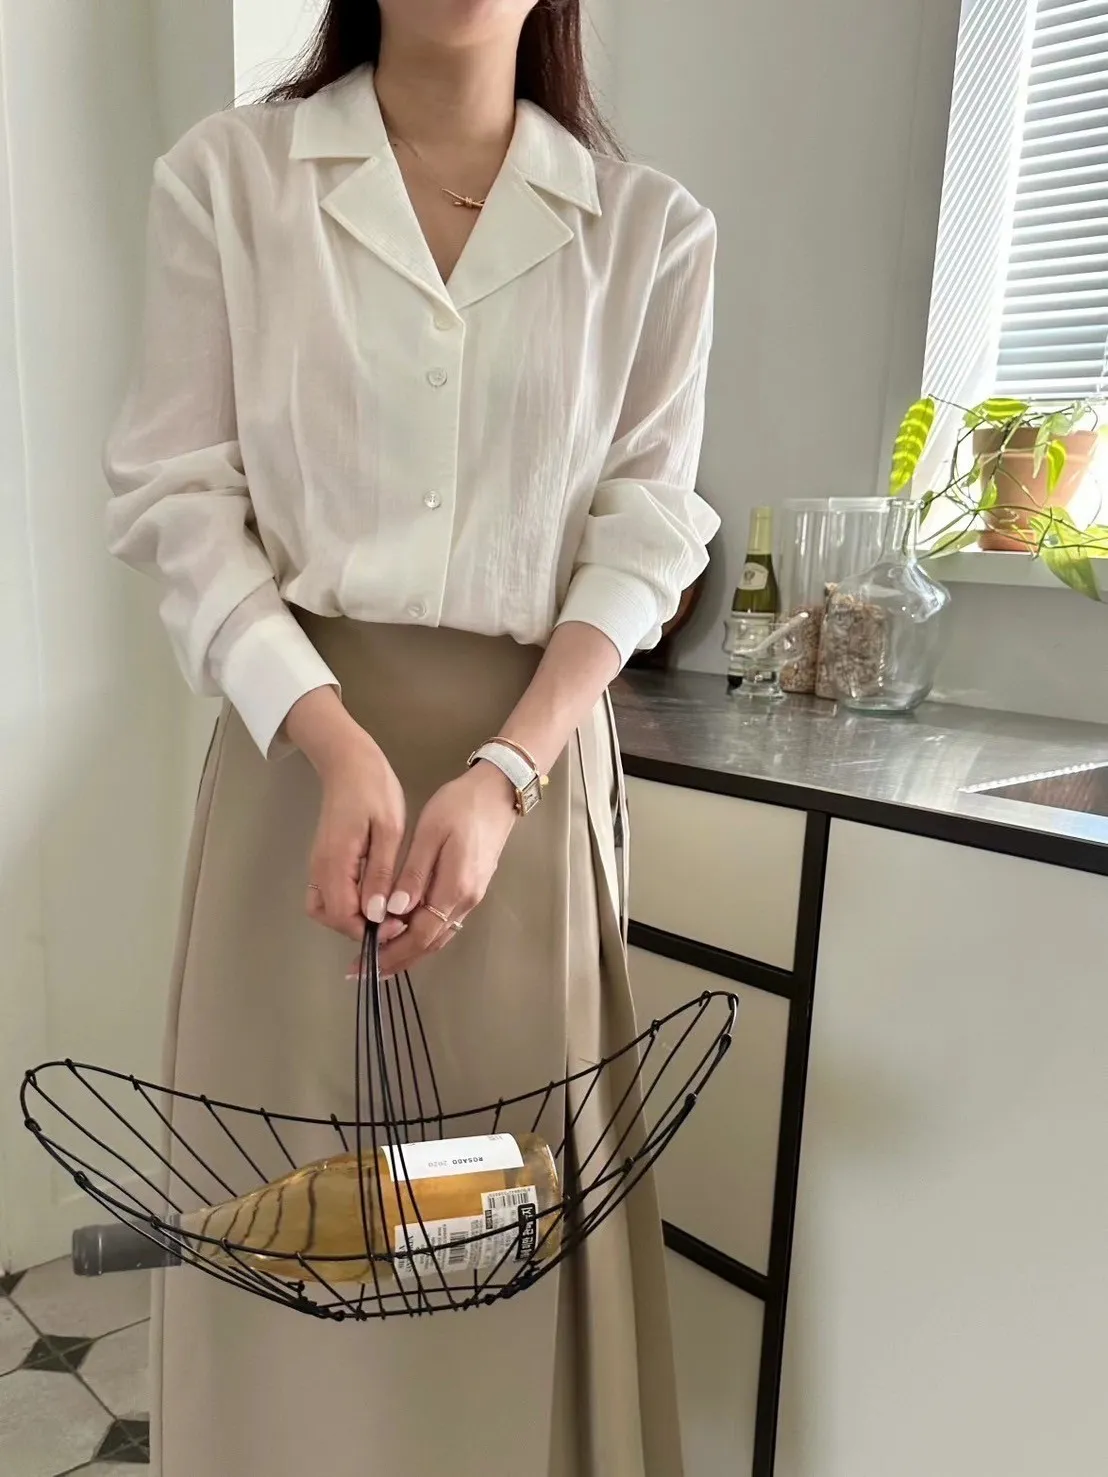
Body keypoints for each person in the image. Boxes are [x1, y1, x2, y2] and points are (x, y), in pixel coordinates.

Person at [104, 1, 718, 1473]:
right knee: (285, 1204)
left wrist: (507, 774)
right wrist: (329, 738)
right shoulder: (229, 180)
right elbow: (178, 496)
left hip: (530, 774)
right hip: (296, 763)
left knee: (511, 1205)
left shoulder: (652, 231)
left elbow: (646, 530)